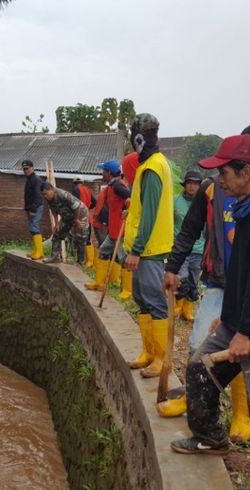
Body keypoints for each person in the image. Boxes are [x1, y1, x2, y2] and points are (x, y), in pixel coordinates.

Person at [169, 134, 250, 490]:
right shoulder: (245, 208)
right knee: (200, 368)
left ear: (245, 171)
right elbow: (238, 276)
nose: (219, 181)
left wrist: (243, 330)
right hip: (238, 320)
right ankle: (211, 438)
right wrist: (227, 319)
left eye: (224, 172)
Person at [122, 113, 174, 379]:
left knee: (155, 302)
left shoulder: (153, 167)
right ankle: (148, 353)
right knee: (143, 300)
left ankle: (161, 360)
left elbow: (151, 213)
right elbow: (143, 208)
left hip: (150, 250)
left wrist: (136, 250)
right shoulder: (148, 165)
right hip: (145, 248)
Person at [85, 160, 131, 297]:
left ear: (109, 172)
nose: (102, 173)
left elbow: (131, 198)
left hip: (121, 231)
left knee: (124, 259)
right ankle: (100, 283)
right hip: (113, 231)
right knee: (103, 251)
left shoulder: (117, 186)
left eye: (103, 170)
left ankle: (127, 290)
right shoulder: (111, 186)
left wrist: (128, 210)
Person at [173, 170, 205, 321]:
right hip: (180, 249)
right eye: (189, 183)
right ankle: (176, 308)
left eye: (196, 184)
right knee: (182, 278)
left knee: (193, 280)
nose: (192, 187)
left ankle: (188, 310)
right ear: (185, 185)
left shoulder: (204, 204)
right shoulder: (175, 201)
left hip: (198, 249)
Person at [40, 182, 89, 265]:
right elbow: (53, 210)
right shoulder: (49, 198)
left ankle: (81, 262)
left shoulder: (63, 194)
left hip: (80, 214)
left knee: (80, 238)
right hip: (67, 216)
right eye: (43, 194)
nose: (45, 196)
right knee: (57, 233)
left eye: (46, 194)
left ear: (51, 189)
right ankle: (54, 257)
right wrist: (56, 223)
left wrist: (76, 220)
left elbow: (76, 206)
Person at [72, 177, 97, 267]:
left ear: (74, 182)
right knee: (88, 239)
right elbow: (95, 202)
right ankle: (90, 261)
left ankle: (80, 261)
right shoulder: (88, 190)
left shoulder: (75, 189)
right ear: (82, 182)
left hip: (80, 218)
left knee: (80, 239)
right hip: (88, 217)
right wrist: (87, 208)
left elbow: (75, 204)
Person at [22, 159, 44, 259]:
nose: (25, 170)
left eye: (27, 168)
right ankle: (35, 250)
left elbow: (38, 196)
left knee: (35, 228)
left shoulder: (36, 179)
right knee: (32, 229)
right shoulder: (29, 179)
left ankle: (40, 252)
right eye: (24, 169)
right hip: (30, 208)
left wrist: (33, 209)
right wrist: (27, 208)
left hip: (36, 207)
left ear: (32, 168)